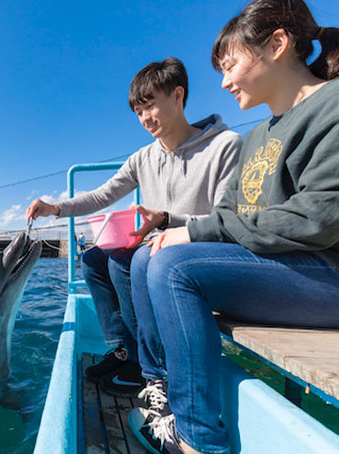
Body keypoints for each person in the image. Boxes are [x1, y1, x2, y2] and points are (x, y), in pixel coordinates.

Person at [126, 1, 339, 453]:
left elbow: (318, 218)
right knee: (150, 254)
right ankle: (163, 388)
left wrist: (195, 234)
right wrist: (178, 232)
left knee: (175, 269)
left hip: (327, 272)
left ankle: (198, 441)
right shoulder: (259, 135)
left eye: (231, 65)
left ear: (278, 45)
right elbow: (229, 210)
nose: (223, 82)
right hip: (284, 268)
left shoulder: (333, 108)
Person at [25, 57, 242, 396]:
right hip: (156, 247)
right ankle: (126, 348)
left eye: (150, 106)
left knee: (122, 260)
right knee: (94, 258)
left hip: (198, 250)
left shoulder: (224, 146)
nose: (144, 119)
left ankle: (147, 363)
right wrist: (55, 208)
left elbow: (229, 221)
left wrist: (170, 221)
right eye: (138, 112)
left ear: (178, 96)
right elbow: (103, 194)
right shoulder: (143, 157)